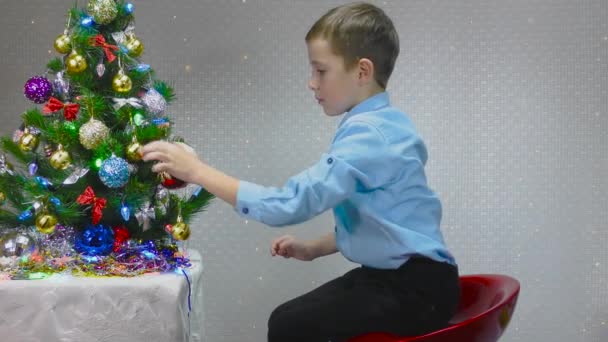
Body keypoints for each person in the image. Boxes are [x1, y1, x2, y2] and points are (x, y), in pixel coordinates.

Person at [142, 2, 459, 341]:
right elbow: (385, 223)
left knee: (289, 326)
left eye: (321, 71)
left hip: (415, 290)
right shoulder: (383, 126)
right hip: (410, 279)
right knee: (288, 318)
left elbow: (289, 204)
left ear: (362, 72)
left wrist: (198, 172)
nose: (312, 83)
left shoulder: (370, 137)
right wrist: (313, 248)